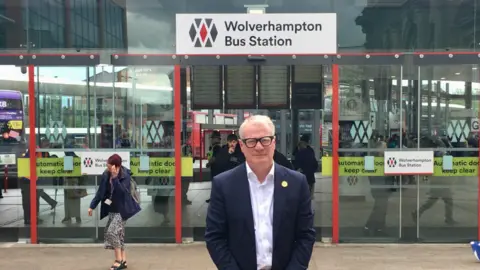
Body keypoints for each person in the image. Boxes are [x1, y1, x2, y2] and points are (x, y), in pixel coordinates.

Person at [205, 115, 316, 270]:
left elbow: (306, 236)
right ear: (242, 146)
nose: (259, 147)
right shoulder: (223, 185)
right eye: (251, 141)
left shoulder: (297, 183)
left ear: (274, 142)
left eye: (265, 139)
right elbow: (215, 237)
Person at [88, 154, 141, 270]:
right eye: (107, 166)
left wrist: (116, 177)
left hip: (122, 210)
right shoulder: (106, 174)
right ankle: (124, 260)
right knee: (119, 235)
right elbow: (100, 192)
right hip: (111, 208)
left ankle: (118, 260)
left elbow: (122, 192)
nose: (108, 168)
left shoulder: (125, 175)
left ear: (116, 166)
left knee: (112, 232)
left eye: (110, 166)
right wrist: (92, 206)